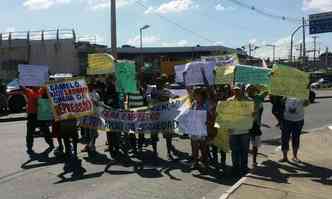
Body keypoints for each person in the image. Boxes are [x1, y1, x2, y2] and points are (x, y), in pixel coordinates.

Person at [228, 85, 254, 176]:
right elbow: (225, 115)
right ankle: (235, 167)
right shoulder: (229, 101)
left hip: (245, 130)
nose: (236, 92)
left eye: (238, 90)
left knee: (244, 150)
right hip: (233, 130)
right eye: (235, 90)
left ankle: (244, 167)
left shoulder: (249, 101)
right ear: (233, 90)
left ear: (242, 90)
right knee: (234, 150)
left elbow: (253, 114)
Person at [22, 86, 53, 155]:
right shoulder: (29, 91)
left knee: (45, 131)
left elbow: (48, 87)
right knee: (30, 132)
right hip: (32, 116)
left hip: (40, 115)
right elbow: (22, 87)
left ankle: (51, 144)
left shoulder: (41, 90)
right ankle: (29, 147)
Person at [280, 97, 309, 162]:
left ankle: (295, 156)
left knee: (296, 138)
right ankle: (285, 157)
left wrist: (306, 100)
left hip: (298, 120)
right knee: (285, 138)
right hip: (286, 119)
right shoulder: (286, 93)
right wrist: (283, 100)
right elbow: (281, 103)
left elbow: (306, 104)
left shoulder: (302, 93)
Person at [247, 85, 268, 168]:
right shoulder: (243, 99)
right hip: (245, 124)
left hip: (255, 124)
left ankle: (254, 161)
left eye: (252, 89)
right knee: (245, 143)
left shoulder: (258, 97)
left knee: (255, 144)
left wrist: (261, 86)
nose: (250, 91)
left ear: (255, 90)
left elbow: (267, 91)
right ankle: (245, 162)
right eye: (248, 89)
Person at [190, 88, 209, 170]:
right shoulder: (193, 104)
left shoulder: (207, 104)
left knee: (203, 147)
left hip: (203, 128)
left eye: (197, 94)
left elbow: (212, 115)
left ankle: (204, 163)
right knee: (194, 147)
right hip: (194, 129)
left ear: (201, 95)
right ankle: (195, 163)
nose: (195, 96)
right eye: (194, 94)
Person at [81, 83, 100, 155]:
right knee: (87, 133)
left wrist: (92, 100)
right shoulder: (84, 93)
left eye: (90, 86)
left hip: (94, 116)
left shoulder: (96, 94)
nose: (88, 87)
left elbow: (97, 104)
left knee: (93, 133)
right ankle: (87, 146)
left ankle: (92, 146)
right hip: (86, 116)